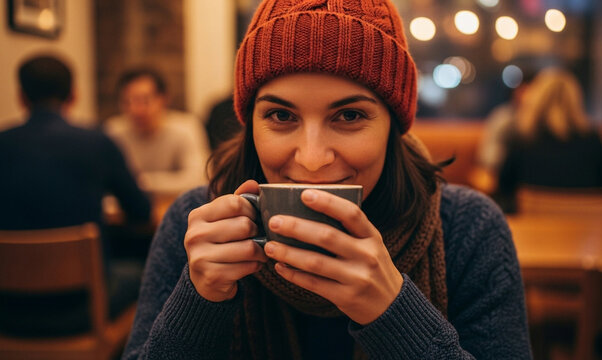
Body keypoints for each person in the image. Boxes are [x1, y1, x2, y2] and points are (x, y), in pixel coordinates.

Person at [123, 1, 532, 359]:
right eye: (281, 116)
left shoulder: (467, 228)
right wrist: (198, 301)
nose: (313, 160)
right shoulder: (195, 226)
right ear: (251, 125)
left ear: (394, 126)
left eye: (350, 116)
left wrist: (393, 312)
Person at [0, 54, 151, 336]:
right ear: (74, 95)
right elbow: (141, 211)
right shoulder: (97, 142)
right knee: (143, 271)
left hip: (7, 310)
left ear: (21, 97)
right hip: (80, 308)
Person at [496, 68, 602, 212]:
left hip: (532, 225)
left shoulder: (523, 138)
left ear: (536, 98)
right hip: (585, 224)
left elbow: (504, 187)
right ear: (576, 100)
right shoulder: (592, 139)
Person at [104, 68, 210, 195]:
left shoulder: (185, 128)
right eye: (127, 102)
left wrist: (143, 182)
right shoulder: (114, 131)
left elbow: (198, 178)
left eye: (144, 100)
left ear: (164, 99)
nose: (135, 110)